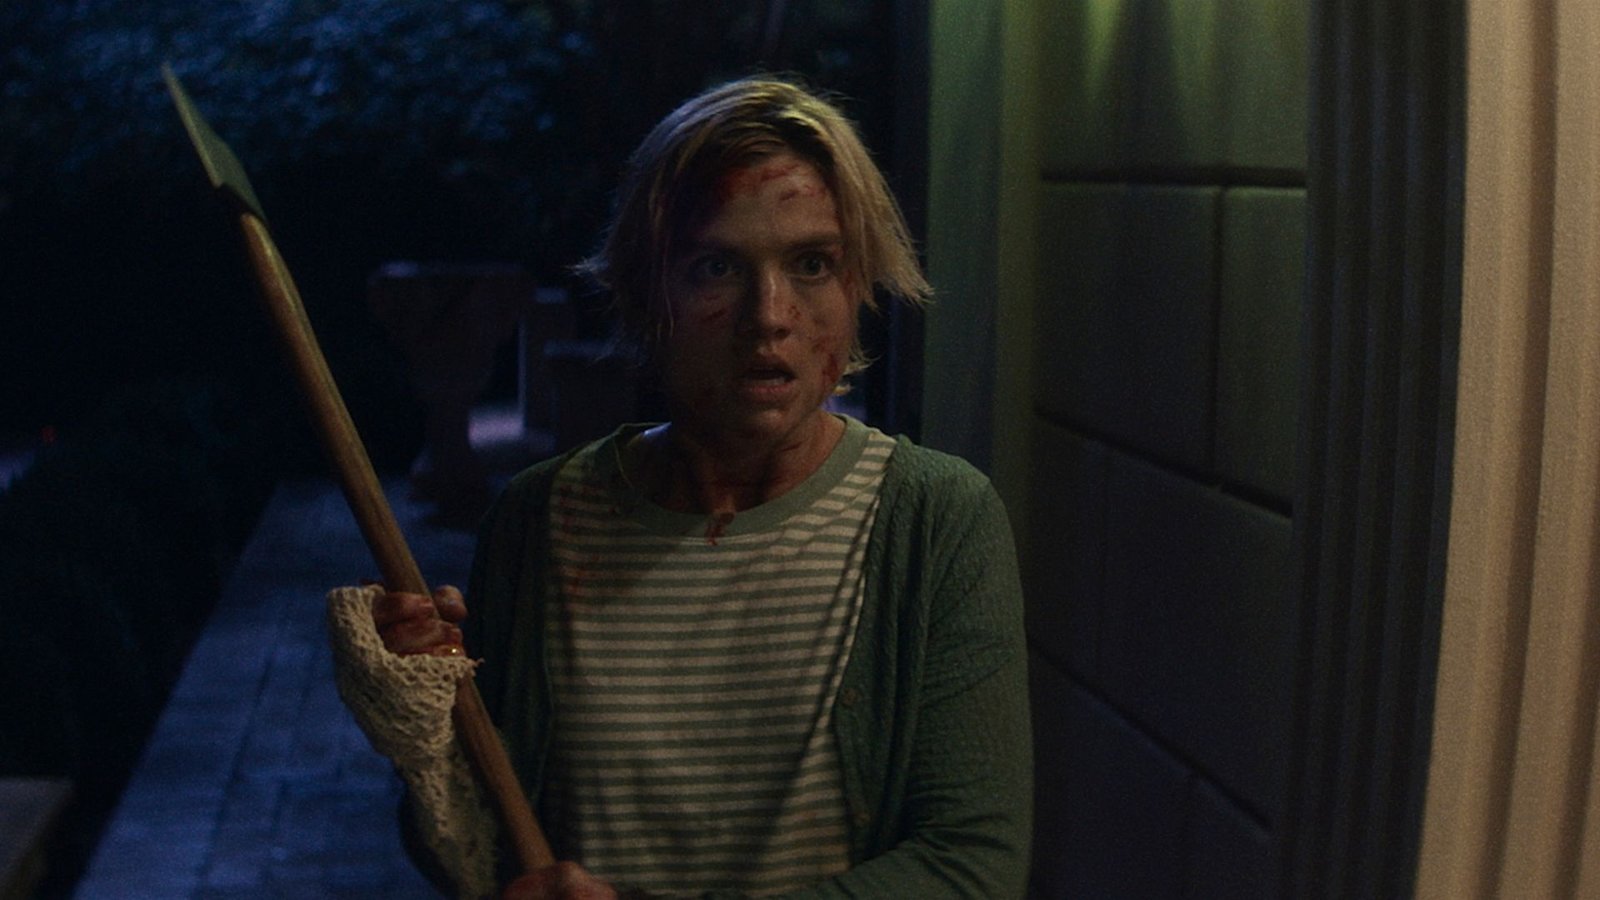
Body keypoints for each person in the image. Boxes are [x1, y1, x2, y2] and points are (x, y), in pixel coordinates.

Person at [328, 76, 1032, 899]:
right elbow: (477, 855)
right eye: (716, 267)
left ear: (858, 284)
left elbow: (972, 868)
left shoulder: (936, 518)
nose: (769, 315)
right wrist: (427, 730)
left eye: (812, 263)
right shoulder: (541, 519)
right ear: (645, 291)